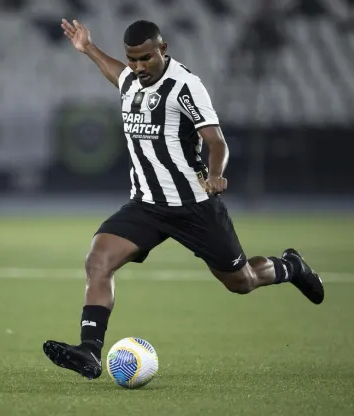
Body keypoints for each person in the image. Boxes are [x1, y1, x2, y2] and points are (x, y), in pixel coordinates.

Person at [43, 19, 324, 380]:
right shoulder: (132, 78)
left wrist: (216, 173)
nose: (139, 67)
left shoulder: (186, 86)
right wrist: (89, 49)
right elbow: (118, 75)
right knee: (98, 261)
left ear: (164, 48)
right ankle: (89, 351)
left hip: (194, 205)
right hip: (146, 204)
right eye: (133, 59)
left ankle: (290, 266)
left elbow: (216, 140)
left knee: (242, 281)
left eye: (146, 58)